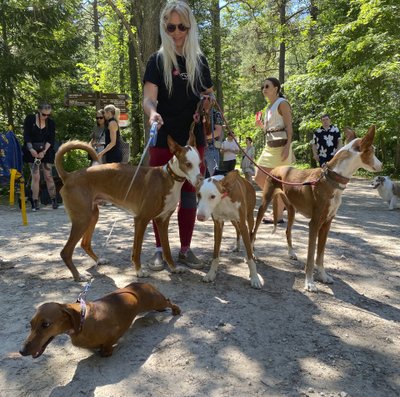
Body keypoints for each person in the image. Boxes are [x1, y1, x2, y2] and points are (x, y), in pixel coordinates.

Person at [142, 0, 213, 271]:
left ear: (190, 26)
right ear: (164, 27)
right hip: (164, 138)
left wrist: (207, 102)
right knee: (159, 197)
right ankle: (160, 249)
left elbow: (208, 95)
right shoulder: (157, 60)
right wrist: (152, 113)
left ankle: (185, 249)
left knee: (188, 195)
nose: (177, 32)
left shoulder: (200, 60)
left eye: (182, 26)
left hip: (194, 139)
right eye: (171, 26)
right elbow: (149, 99)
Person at [254, 77, 295, 224]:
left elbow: (289, 127)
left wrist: (287, 147)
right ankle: (282, 201)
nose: (264, 89)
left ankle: (278, 216)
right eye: (262, 87)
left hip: (281, 147)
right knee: (259, 177)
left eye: (267, 86)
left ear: (276, 88)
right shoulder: (269, 108)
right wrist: (260, 125)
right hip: (269, 147)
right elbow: (270, 129)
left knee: (279, 181)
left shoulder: (282, 103)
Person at [23, 103, 58, 211]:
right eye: (44, 114)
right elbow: (26, 136)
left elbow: (51, 139)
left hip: (46, 150)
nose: (46, 117)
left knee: (48, 175)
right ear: (38, 111)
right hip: (31, 149)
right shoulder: (30, 119)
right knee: (36, 176)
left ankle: (54, 199)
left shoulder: (51, 123)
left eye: (48, 115)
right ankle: (35, 201)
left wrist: (44, 151)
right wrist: (31, 149)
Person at [203, 97, 223, 177]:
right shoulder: (198, 114)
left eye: (209, 99)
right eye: (204, 98)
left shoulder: (216, 114)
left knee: (213, 175)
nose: (206, 101)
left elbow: (218, 132)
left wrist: (203, 138)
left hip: (211, 149)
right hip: (199, 149)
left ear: (213, 101)